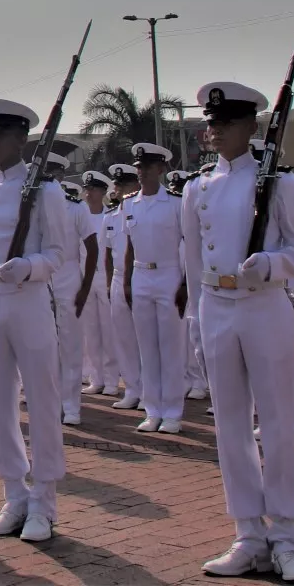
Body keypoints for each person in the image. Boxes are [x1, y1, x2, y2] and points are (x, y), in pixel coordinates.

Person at [182, 81, 294, 583]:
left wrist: (272, 263)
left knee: (276, 423)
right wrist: (196, 320)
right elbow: (192, 259)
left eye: (226, 123)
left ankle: (288, 537)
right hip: (216, 306)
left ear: (252, 126)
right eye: (211, 123)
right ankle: (248, 535)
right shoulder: (196, 188)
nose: (215, 131)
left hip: (263, 305)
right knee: (230, 426)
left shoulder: (279, 183)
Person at [0, 99, 66, 543]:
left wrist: (30, 266)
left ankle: (44, 500)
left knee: (41, 400)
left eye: (0, 135)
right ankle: (14, 494)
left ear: (21, 139)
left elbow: (60, 254)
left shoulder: (45, 190)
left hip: (29, 301)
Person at [121, 143, 187, 434]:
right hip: (141, 274)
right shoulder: (129, 203)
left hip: (169, 274)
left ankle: (172, 413)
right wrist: (126, 281)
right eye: (139, 167)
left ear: (160, 169)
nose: (142, 172)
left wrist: (185, 282)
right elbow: (129, 246)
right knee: (146, 348)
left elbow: (189, 245)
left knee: (170, 348)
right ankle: (152, 410)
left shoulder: (175, 203)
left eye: (147, 167)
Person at [43, 148, 88, 426]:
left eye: (52, 172)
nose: (47, 177)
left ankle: (71, 406)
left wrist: (85, 286)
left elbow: (92, 246)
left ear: (60, 175)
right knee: (43, 344)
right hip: (41, 277)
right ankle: (48, 399)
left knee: (70, 344)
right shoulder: (32, 203)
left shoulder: (76, 206)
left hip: (68, 275)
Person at [105, 162, 144, 411]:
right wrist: (110, 283)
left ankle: (149, 392)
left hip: (141, 275)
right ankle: (132, 389)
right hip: (119, 278)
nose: (119, 189)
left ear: (136, 185)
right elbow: (107, 256)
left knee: (144, 339)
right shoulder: (109, 217)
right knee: (124, 338)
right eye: (117, 185)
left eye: (125, 184)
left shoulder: (140, 210)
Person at [77, 172, 116, 397]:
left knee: (109, 331)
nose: (88, 193)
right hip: (85, 278)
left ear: (103, 192)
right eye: (87, 189)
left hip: (105, 277)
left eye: (93, 189)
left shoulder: (111, 216)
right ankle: (96, 378)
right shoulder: (80, 216)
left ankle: (111, 380)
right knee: (90, 331)